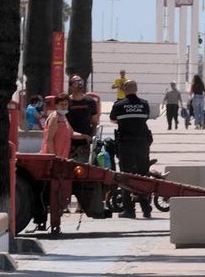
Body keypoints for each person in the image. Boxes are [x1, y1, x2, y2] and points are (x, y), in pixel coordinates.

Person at [109, 80, 155, 218]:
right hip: (142, 144)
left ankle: (129, 210)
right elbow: (145, 118)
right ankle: (146, 209)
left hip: (126, 144)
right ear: (136, 89)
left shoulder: (119, 105)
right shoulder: (144, 104)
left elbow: (113, 119)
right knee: (143, 175)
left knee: (126, 176)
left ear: (124, 89)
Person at [65, 75, 100, 162]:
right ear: (70, 86)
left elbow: (94, 122)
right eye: (76, 82)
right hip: (68, 143)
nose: (79, 84)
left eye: (80, 81)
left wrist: (92, 138)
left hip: (85, 143)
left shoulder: (90, 102)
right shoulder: (66, 102)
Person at [39, 95, 79, 159]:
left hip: (62, 155)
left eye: (66, 104)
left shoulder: (63, 117)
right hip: (54, 156)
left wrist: (85, 136)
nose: (64, 107)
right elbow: (49, 139)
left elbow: (71, 133)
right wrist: (53, 157)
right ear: (56, 105)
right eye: (61, 104)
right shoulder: (55, 117)